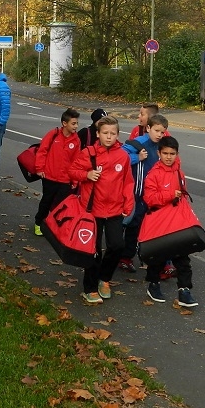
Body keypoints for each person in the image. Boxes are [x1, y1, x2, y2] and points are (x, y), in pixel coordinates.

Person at [68, 116, 134, 305]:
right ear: (97, 134)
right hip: (92, 210)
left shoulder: (123, 156)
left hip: (114, 209)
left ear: (118, 135)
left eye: (113, 133)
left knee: (117, 246)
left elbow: (128, 182)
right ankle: (89, 288)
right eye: (105, 133)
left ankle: (104, 278)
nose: (109, 136)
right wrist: (87, 174)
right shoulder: (89, 153)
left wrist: (128, 204)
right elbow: (72, 171)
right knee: (93, 250)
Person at [141, 136, 199, 307]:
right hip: (160, 223)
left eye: (172, 154)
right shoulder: (153, 174)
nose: (168, 157)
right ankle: (153, 284)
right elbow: (149, 199)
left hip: (177, 223)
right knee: (158, 257)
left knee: (183, 258)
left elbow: (183, 197)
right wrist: (170, 195)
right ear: (159, 153)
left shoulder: (179, 173)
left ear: (177, 154)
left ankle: (184, 290)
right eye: (165, 153)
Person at [119, 113, 170, 272]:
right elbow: (119, 157)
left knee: (155, 227)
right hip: (138, 193)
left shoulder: (162, 146)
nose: (159, 135)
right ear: (148, 128)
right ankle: (126, 257)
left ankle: (159, 263)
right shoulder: (139, 143)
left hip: (154, 195)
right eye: (156, 131)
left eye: (162, 132)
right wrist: (137, 157)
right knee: (134, 225)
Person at [32, 108, 81, 237]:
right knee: (46, 201)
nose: (76, 126)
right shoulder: (53, 134)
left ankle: (54, 227)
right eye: (73, 123)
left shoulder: (76, 140)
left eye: (77, 123)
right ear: (64, 123)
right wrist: (40, 168)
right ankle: (39, 223)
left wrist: (75, 180)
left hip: (65, 179)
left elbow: (76, 161)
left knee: (60, 206)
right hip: (49, 177)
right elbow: (42, 151)